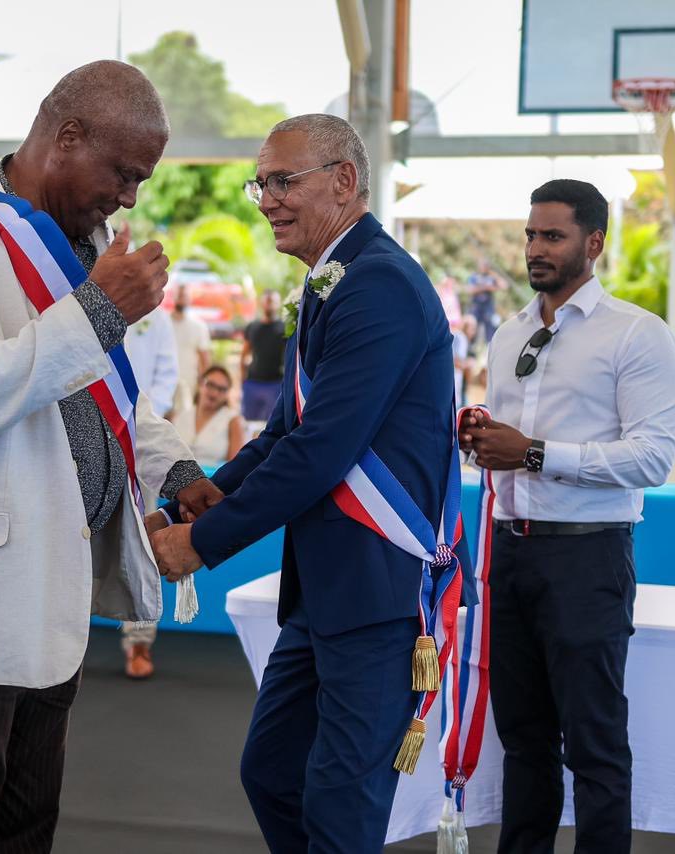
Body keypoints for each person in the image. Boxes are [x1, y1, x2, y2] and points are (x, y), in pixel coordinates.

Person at [0, 61, 220, 854]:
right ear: (67, 137)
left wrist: (174, 468)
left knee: (26, 830)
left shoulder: (82, 242)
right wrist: (94, 312)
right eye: (123, 173)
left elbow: (103, 393)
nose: (129, 198)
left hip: (49, 590)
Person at [150, 114, 454, 853]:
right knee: (274, 774)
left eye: (283, 181)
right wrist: (198, 497)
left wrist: (204, 542)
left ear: (344, 181)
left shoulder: (377, 284)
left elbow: (321, 450)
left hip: (378, 591)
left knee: (342, 807)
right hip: (328, 591)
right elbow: (284, 433)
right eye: (261, 184)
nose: (266, 200)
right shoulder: (331, 282)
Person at [461, 179, 675, 852]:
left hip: (587, 557)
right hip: (508, 553)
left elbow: (653, 458)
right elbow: (504, 450)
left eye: (552, 236)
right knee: (523, 743)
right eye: (531, 234)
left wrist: (531, 453)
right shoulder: (509, 333)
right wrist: (478, 440)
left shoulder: (637, 333)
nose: (535, 248)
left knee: (594, 745)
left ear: (594, 243)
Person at [117, 303, 180, 678]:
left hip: (140, 437)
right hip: (81, 435)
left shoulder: (156, 319)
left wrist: (137, 422)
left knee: (140, 538)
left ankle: (139, 640)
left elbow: (167, 376)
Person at [173, 365, 246, 466]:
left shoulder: (233, 420)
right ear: (200, 384)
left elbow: (235, 466)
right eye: (210, 385)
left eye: (222, 389)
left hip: (214, 475)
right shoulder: (181, 416)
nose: (214, 393)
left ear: (227, 394)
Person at [123, 302, 178, 418]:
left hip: (143, 412)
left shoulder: (159, 318)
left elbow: (167, 375)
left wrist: (149, 413)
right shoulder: (103, 305)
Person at [239, 289, 286, 421]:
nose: (269, 304)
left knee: (270, 423)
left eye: (273, 301)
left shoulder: (285, 328)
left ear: (278, 303)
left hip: (275, 383)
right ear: (261, 303)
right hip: (252, 383)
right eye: (267, 300)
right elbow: (244, 355)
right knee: (248, 423)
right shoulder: (252, 327)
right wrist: (242, 381)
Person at [170, 284, 211, 415]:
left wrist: (203, 385)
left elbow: (204, 359)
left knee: (182, 419)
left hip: (187, 383)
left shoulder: (199, 326)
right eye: (179, 295)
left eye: (185, 295)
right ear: (173, 297)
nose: (182, 298)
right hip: (164, 381)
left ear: (190, 299)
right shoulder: (163, 323)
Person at [467, 257, 507, 345]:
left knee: (490, 328)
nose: (484, 267)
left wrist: (494, 274)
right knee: (472, 326)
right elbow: (470, 290)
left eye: (486, 265)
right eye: (482, 265)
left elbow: (504, 286)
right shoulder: (474, 276)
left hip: (488, 307)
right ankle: (470, 347)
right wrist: (486, 288)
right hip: (476, 306)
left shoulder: (491, 277)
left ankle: (489, 347)